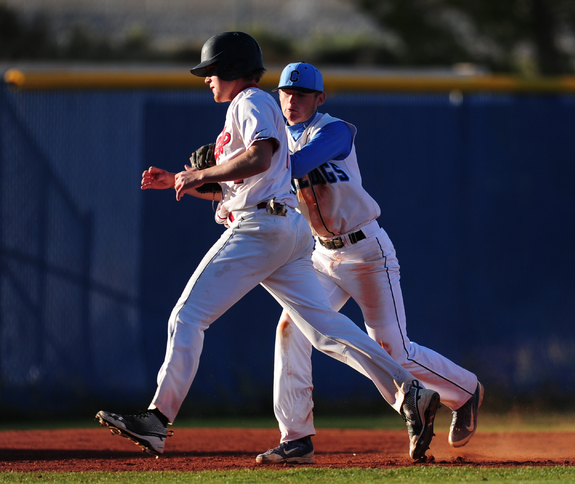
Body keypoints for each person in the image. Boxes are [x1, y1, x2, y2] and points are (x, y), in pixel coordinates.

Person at [94, 32, 440, 462]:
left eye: (213, 71)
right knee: (325, 331)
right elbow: (250, 180)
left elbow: (261, 156)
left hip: (263, 229)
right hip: (286, 228)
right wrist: (182, 180)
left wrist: (201, 175)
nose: (207, 80)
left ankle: (156, 420)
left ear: (235, 69)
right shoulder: (253, 107)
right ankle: (411, 391)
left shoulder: (250, 102)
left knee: (188, 315)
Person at [255, 62, 483, 465]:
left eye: (302, 94)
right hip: (322, 255)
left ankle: (464, 392)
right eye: (285, 93)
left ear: (319, 98)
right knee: (291, 327)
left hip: (366, 251)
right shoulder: (273, 139)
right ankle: (296, 438)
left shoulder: (334, 129)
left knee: (394, 350)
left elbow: (296, 165)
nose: (291, 101)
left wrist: (247, 165)